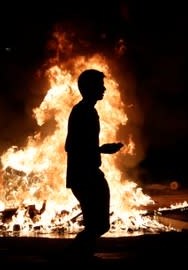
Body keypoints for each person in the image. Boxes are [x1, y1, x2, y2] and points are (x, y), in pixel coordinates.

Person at [65, 69, 123, 258]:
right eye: (100, 85)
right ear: (89, 88)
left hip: (88, 175)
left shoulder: (88, 111)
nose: (104, 89)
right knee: (98, 225)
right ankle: (75, 255)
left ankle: (81, 255)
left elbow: (79, 145)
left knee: (97, 225)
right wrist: (101, 149)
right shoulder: (83, 112)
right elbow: (71, 146)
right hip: (84, 176)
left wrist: (99, 149)